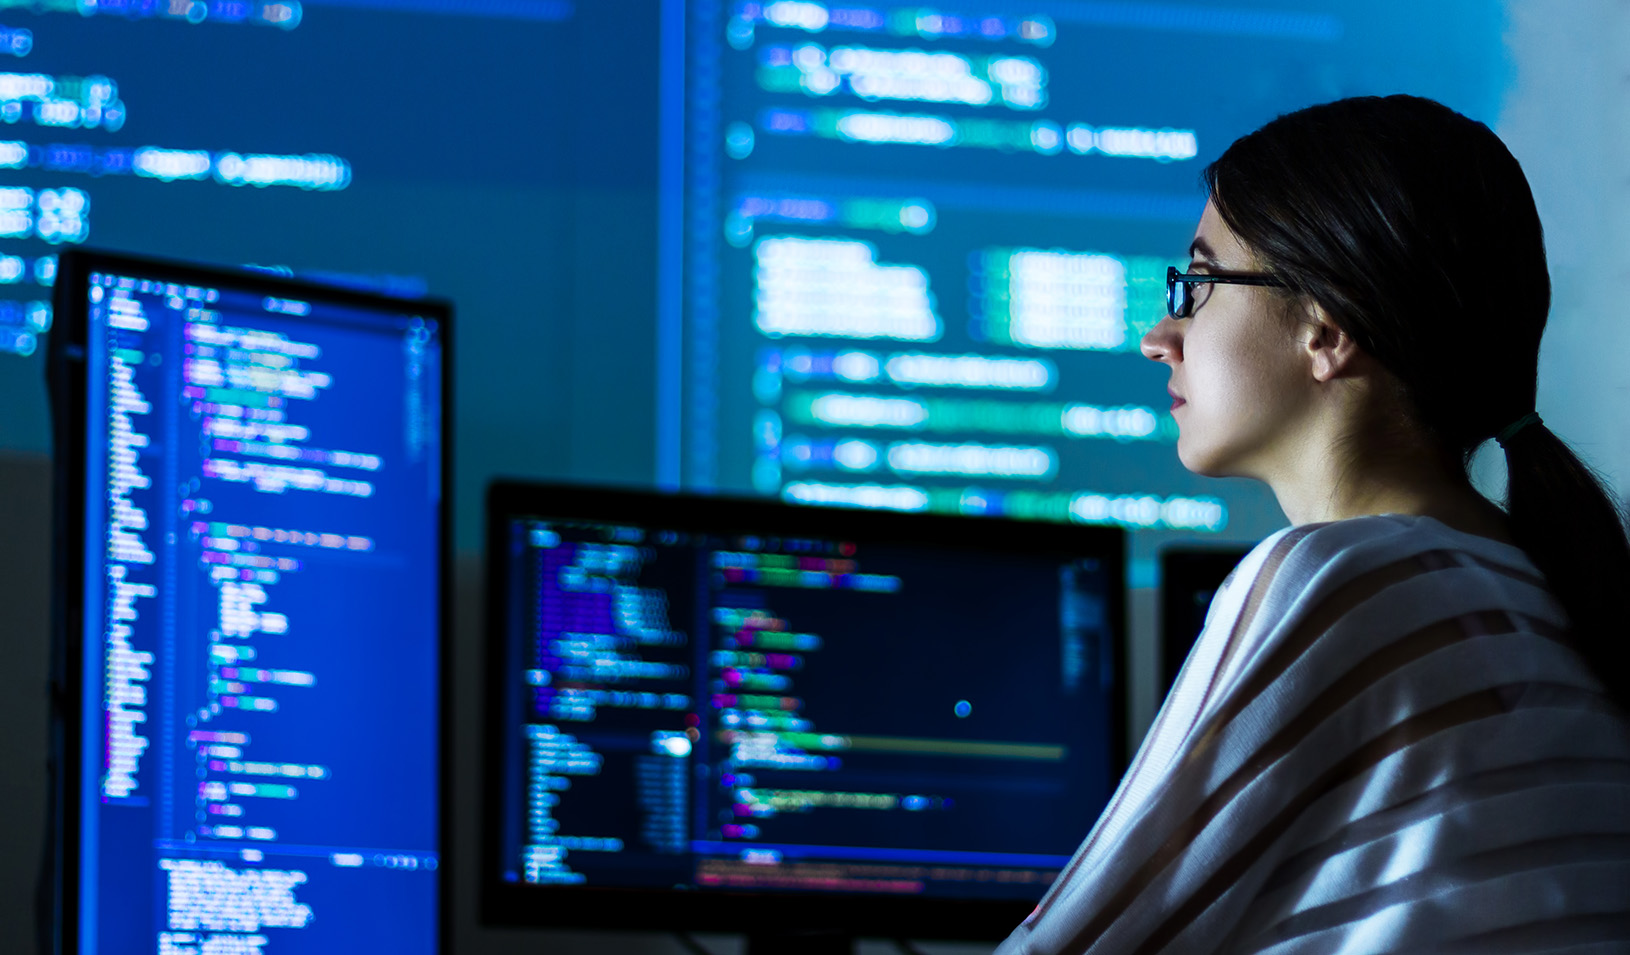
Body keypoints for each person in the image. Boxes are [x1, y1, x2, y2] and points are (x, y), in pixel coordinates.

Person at [997, 95, 1630, 955]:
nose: (1159, 336)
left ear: (1328, 327)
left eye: (1199, 284)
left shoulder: (1349, 578)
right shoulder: (1548, 590)